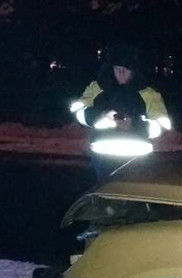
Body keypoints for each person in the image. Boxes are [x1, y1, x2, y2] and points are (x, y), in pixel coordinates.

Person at [71, 44, 171, 181]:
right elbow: (77, 111)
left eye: (126, 69)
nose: (121, 73)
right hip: (102, 158)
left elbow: (163, 125)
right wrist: (98, 117)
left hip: (137, 161)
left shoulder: (149, 94)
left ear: (135, 70)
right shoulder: (96, 87)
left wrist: (134, 125)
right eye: (117, 69)